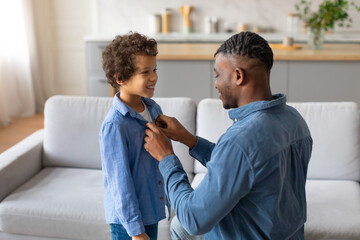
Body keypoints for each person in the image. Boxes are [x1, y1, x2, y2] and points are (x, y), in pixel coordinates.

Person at [143, 31, 313, 239]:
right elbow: (244, 165)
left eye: (217, 75)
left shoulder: (241, 140)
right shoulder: (294, 120)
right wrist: (189, 139)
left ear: (238, 76)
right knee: (179, 227)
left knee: (182, 224)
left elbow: (193, 219)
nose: (215, 84)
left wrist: (166, 157)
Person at [99, 32, 169, 240]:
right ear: (120, 78)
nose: (154, 77)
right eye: (145, 72)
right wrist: (137, 232)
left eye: (154, 69)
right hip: (128, 223)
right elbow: (120, 184)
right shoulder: (115, 125)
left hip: (150, 211)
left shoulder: (153, 109)